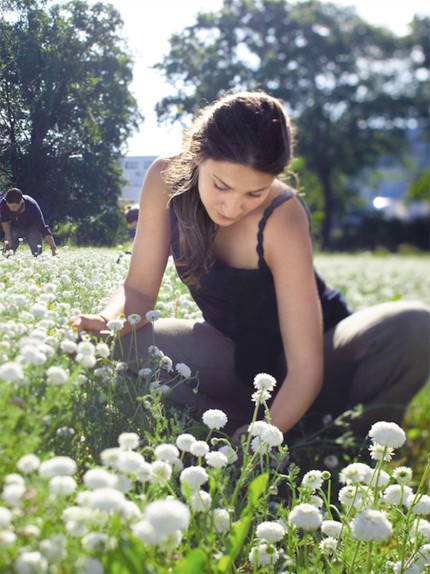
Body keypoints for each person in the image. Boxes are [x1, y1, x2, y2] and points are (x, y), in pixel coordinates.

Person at [72, 91, 430, 441]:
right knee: (115, 346)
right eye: (221, 186)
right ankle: (228, 433)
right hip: (234, 358)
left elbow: (306, 370)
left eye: (253, 194)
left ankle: (343, 446)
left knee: (415, 326)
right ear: (197, 155)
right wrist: (106, 322)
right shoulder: (164, 178)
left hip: (320, 359)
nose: (231, 207)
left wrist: (258, 442)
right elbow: (138, 291)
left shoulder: (283, 215)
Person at [1, 187, 57, 256]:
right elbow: (5, 221)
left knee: (37, 253)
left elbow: (43, 228)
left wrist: (53, 248)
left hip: (32, 227)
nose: (11, 209)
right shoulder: (3, 203)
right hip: (14, 226)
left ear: (21, 202)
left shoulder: (32, 206)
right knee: (7, 252)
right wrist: (9, 238)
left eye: (14, 207)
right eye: (9, 206)